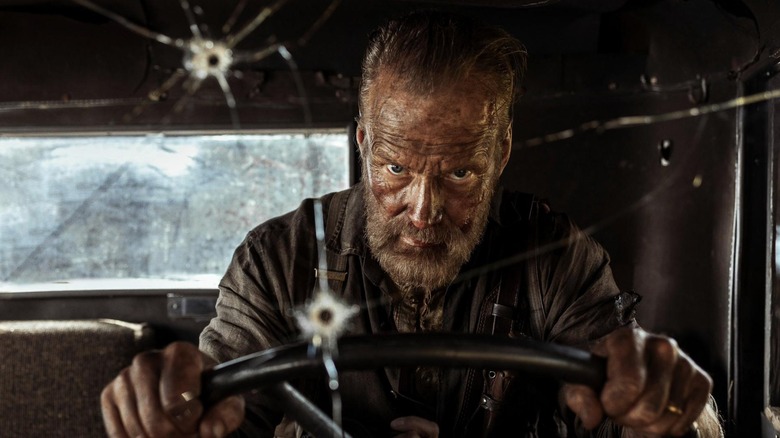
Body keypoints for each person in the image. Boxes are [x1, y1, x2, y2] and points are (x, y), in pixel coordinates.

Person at [101, 10, 723, 438]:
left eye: (459, 175)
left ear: (500, 154)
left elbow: (629, 394)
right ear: (365, 143)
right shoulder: (277, 261)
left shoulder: (554, 256)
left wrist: (665, 403)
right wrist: (170, 413)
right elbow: (226, 405)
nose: (423, 210)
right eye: (396, 166)